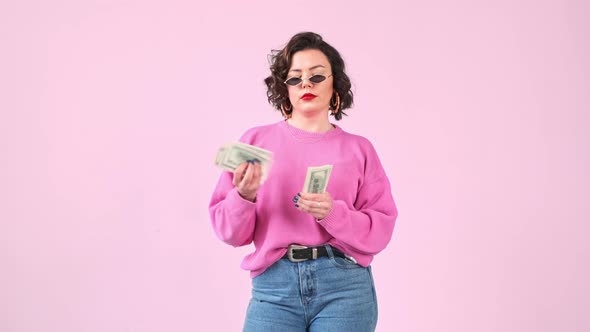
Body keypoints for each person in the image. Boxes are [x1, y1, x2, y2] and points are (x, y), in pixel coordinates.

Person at [208, 32, 398, 332]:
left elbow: (381, 230)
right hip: (273, 288)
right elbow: (229, 233)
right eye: (295, 78)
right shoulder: (254, 142)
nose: (306, 84)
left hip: (344, 288)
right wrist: (243, 196)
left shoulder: (359, 149)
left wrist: (333, 214)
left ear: (335, 85)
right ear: (285, 90)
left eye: (317, 76)